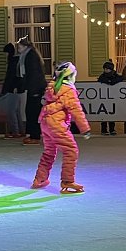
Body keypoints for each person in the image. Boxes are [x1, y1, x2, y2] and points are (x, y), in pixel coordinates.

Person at [32, 61, 91, 194]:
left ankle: (39, 179)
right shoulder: (69, 91)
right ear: (70, 76)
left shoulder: (52, 88)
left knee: (49, 151)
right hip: (56, 124)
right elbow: (76, 110)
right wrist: (85, 129)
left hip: (45, 123)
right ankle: (67, 182)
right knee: (71, 150)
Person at [17, 37, 47, 145]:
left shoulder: (30, 56)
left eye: (19, 46)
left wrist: (33, 89)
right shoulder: (28, 55)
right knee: (30, 110)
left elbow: (33, 73)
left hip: (35, 87)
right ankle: (33, 134)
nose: (18, 48)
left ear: (25, 47)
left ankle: (35, 136)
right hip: (34, 86)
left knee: (32, 111)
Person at [0, 43, 25, 139]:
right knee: (17, 111)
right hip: (18, 88)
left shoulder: (12, 62)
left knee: (11, 111)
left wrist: (6, 88)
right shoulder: (17, 60)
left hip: (13, 88)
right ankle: (20, 130)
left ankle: (15, 131)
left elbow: (10, 77)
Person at [97, 60, 122, 135]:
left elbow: (120, 79)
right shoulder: (102, 76)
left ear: (111, 69)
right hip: (104, 97)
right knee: (103, 114)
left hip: (112, 97)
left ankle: (112, 129)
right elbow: (101, 80)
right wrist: (109, 81)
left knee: (111, 113)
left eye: (107, 69)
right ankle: (103, 130)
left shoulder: (115, 75)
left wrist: (111, 81)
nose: (105, 70)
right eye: (104, 69)